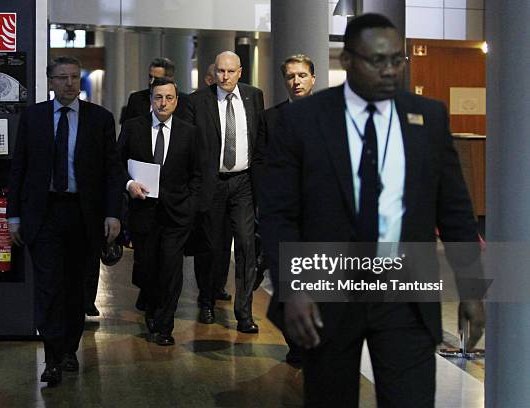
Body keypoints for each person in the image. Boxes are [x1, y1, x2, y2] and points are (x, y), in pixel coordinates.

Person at [260, 14, 485, 407]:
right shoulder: (303, 121)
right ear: (347, 60)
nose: (389, 71)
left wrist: (471, 286)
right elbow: (280, 214)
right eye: (376, 60)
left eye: (397, 60)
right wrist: (293, 287)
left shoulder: (427, 119)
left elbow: (454, 209)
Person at [7, 56, 123, 386]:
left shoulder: (99, 119)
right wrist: (13, 216)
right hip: (43, 215)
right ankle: (53, 356)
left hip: (84, 215)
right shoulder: (34, 118)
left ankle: (70, 348)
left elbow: (112, 171)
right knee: (48, 287)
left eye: (75, 77)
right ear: (51, 81)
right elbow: (19, 169)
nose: (70, 83)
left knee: (76, 288)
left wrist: (114, 213)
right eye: (63, 78)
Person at [118, 77, 201, 346]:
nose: (163, 103)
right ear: (150, 100)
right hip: (143, 212)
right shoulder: (133, 128)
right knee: (148, 267)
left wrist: (190, 205)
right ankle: (152, 310)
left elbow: (199, 173)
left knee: (171, 270)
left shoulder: (189, 132)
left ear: (176, 101)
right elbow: (116, 165)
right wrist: (129, 184)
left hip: (177, 215)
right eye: (158, 97)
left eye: (169, 98)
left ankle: (165, 326)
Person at [186, 51, 264, 332]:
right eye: (221, 71)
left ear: (240, 72)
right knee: (210, 247)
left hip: (243, 183)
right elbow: (191, 148)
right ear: (214, 72)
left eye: (231, 71)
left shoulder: (254, 96)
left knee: (246, 245)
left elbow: (259, 141)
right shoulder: (197, 101)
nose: (225, 77)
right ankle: (206, 301)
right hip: (212, 184)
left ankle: (244, 313)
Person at [253, 53, 316, 368]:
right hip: (283, 215)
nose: (297, 81)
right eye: (291, 76)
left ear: (313, 78)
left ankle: (314, 341)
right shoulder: (271, 118)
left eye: (302, 75)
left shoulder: (329, 117)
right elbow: (261, 164)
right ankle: (296, 344)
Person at [119, 57, 188, 127]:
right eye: (150, 77)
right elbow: (128, 129)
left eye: (157, 78)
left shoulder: (184, 101)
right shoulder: (136, 99)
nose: (151, 82)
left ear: (169, 79)